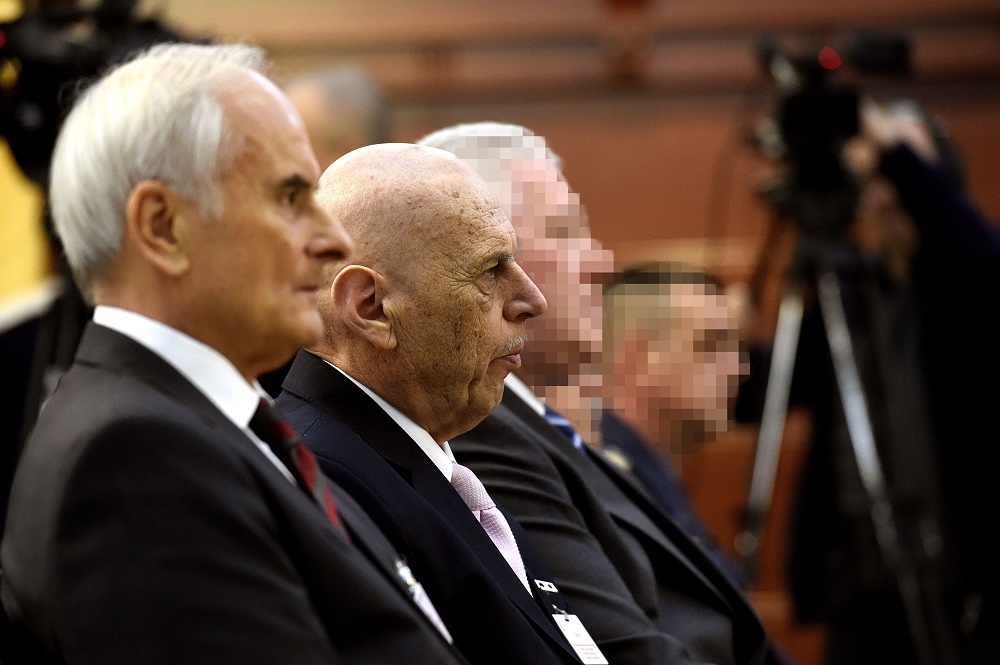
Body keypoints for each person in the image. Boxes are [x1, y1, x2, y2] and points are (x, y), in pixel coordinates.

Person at [0, 43, 464, 665]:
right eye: (291, 198)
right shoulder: (137, 459)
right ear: (164, 227)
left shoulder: (199, 422)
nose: (334, 240)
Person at [421, 122, 777, 665]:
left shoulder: (545, 431)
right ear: (483, 263)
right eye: (565, 233)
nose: (601, 263)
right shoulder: (481, 437)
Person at [275, 143, 593, 665]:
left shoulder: (405, 457)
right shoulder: (322, 481)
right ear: (371, 308)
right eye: (490, 270)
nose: (531, 300)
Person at [750, 99, 1000, 665]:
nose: (887, 194)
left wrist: (888, 141)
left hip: (973, 593)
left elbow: (970, 252)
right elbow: (764, 390)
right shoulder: (845, 295)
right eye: (873, 177)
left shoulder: (974, 287)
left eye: (902, 171)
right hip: (865, 596)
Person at [602, 263, 747, 586]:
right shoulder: (606, 487)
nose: (738, 369)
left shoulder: (645, 477)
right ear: (636, 354)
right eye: (712, 345)